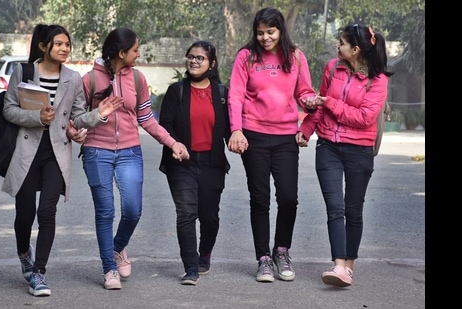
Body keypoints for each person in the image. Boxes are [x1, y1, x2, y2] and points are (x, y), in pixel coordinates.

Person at [2, 24, 123, 297]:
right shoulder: (24, 72)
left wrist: (97, 115)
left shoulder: (72, 77)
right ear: (44, 46)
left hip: (56, 152)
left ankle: (39, 273)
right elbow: (9, 109)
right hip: (26, 151)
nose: (64, 49)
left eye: (67, 44)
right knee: (25, 214)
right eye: (58, 44)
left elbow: (77, 115)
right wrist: (36, 118)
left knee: (47, 211)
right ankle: (24, 252)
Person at [79, 27, 189, 290]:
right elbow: (77, 117)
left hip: (129, 151)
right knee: (105, 212)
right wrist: (79, 127)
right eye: (135, 50)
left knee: (132, 210)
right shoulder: (89, 80)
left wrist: (172, 142)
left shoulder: (137, 79)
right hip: (97, 151)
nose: (138, 54)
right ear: (121, 52)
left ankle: (117, 248)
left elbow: (146, 119)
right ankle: (109, 269)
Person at [296, 23, 394, 287]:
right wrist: (306, 128)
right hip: (327, 146)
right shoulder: (332, 67)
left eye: (341, 42)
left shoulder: (378, 80)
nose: (337, 46)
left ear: (356, 49)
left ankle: (348, 267)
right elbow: (319, 105)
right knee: (335, 207)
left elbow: (364, 118)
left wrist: (331, 103)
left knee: (354, 209)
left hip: (359, 150)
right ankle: (339, 265)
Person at [227, 7, 316, 283]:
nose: (265, 38)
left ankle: (281, 250)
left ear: (281, 31)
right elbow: (236, 95)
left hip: (286, 137)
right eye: (260, 32)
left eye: (271, 32)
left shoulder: (296, 56)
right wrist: (236, 130)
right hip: (254, 135)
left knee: (289, 197)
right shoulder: (247, 56)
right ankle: (263, 258)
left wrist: (310, 103)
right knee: (260, 198)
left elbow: (304, 92)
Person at [158, 41, 231, 285]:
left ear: (211, 63)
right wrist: (175, 145)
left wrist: (238, 140)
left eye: (200, 58)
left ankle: (205, 254)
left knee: (209, 216)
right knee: (186, 214)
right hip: (181, 163)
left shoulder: (222, 93)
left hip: (212, 163)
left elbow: (230, 130)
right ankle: (190, 267)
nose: (194, 61)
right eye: (191, 57)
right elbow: (165, 124)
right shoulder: (176, 91)